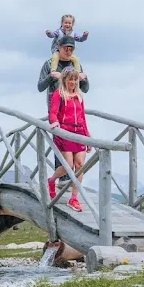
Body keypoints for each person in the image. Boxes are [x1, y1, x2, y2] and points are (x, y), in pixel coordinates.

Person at [47, 67, 91, 212]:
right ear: (64, 80)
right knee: (69, 165)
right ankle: (52, 181)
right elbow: (53, 113)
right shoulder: (58, 94)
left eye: (75, 79)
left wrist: (88, 137)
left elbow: (83, 118)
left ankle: (74, 198)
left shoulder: (79, 96)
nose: (72, 82)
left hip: (79, 132)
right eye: (70, 79)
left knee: (80, 165)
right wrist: (55, 124)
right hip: (65, 132)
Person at [37, 34, 89, 107]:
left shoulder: (76, 65)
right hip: (55, 110)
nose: (68, 52)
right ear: (59, 47)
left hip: (71, 109)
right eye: (66, 49)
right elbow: (40, 87)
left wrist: (84, 80)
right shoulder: (49, 64)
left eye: (71, 49)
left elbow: (85, 89)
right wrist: (50, 77)